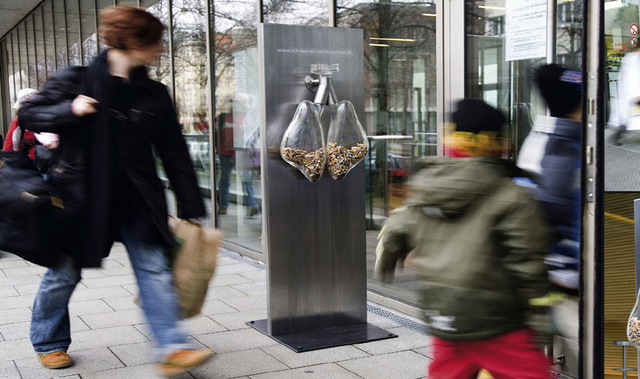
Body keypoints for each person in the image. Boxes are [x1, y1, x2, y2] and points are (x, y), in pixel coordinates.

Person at [19, 6, 213, 376]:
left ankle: (172, 346)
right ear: (131, 41)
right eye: (154, 42)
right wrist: (69, 109)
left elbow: (173, 151)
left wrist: (189, 201)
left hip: (137, 197)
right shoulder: (75, 79)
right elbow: (31, 115)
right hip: (80, 197)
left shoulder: (154, 93)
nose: (160, 49)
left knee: (154, 268)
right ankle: (49, 342)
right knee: (64, 272)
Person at [376, 98, 551, 378]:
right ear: (499, 142)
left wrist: (390, 248)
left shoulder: (427, 186)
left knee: (448, 371)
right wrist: (540, 304)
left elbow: (399, 226)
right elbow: (526, 260)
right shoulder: (513, 195)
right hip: (494, 316)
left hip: (440, 307)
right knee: (529, 372)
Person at [518, 63, 582, 343]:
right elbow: (553, 216)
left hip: (550, 274)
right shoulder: (563, 148)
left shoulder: (541, 138)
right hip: (564, 280)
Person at [609, 44, 640, 145]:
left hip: (634, 93)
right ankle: (616, 135)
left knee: (631, 117)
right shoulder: (632, 58)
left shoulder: (633, 57)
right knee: (627, 118)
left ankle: (617, 134)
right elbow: (632, 77)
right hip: (633, 94)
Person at [3, 88, 39, 159]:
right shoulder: (18, 121)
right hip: (28, 163)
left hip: (47, 162)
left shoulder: (48, 118)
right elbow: (10, 146)